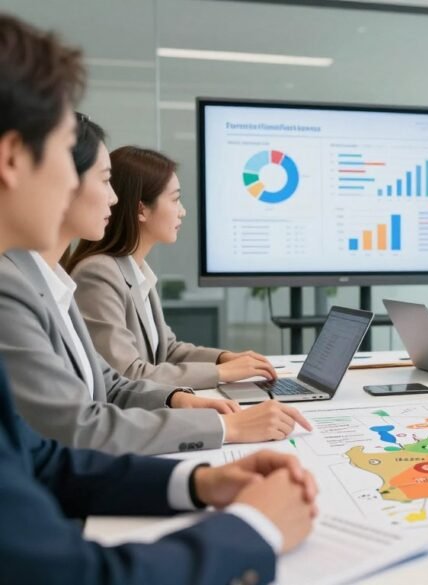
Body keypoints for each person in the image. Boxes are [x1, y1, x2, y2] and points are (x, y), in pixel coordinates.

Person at [0, 14, 315, 583]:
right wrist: (256, 530)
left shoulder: (48, 279)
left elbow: (40, 457)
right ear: (14, 157)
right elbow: (70, 571)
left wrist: (196, 481)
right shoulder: (23, 285)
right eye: (69, 158)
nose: (92, 190)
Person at [0, 114, 311, 455]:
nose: (113, 198)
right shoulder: (39, 283)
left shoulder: (54, 281)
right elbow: (84, 419)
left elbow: (111, 383)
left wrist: (177, 397)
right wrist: (225, 419)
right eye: (104, 181)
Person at [65, 145, 275, 389]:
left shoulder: (136, 270)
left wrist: (225, 358)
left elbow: (168, 349)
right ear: (141, 209)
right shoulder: (98, 273)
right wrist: (220, 372)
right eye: (175, 200)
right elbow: (126, 373)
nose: (182, 211)